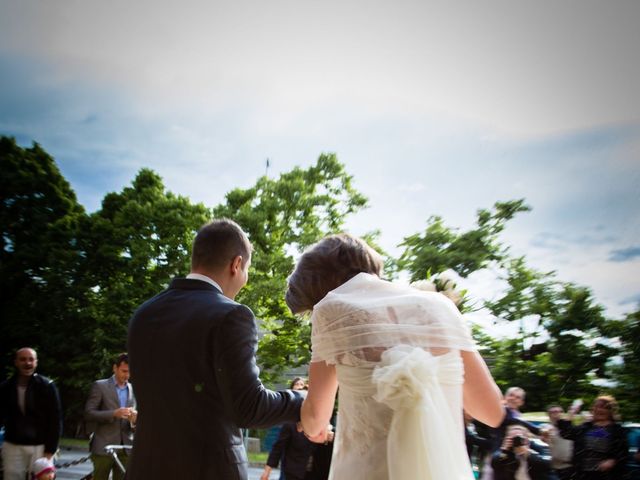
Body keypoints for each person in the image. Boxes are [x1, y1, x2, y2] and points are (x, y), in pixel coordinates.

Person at [285, 233, 505, 480]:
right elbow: (492, 413)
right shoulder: (442, 307)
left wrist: (315, 427)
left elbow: (315, 419)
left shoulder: (330, 310)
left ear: (320, 289)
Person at [127, 218, 304, 479]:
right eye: (247, 270)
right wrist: (301, 400)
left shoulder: (144, 314)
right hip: (207, 470)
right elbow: (249, 407)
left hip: (144, 468)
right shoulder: (231, 315)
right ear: (236, 264)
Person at [0, 347, 62, 480]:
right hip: (12, 445)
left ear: (36, 362)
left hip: (40, 446)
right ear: (16, 362)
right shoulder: (6, 387)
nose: (27, 363)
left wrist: (50, 450)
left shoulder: (47, 386)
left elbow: (55, 420)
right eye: (22, 359)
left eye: (31, 360)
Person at [84, 353, 137, 480]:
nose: (127, 375)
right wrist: (114, 413)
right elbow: (89, 413)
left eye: (130, 372)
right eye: (124, 371)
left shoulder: (134, 389)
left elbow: (135, 423)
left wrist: (134, 421)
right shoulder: (100, 386)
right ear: (115, 368)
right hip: (103, 447)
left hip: (126, 449)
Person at [557, 395, 628, 480]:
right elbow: (566, 433)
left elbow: (623, 453)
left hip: (606, 475)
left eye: (603, 407)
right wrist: (571, 413)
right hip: (582, 474)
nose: (599, 410)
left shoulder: (617, 430)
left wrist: (613, 461)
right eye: (596, 407)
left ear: (610, 411)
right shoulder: (585, 427)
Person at [541, 405, 575, 480]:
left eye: (560, 411)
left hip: (572, 466)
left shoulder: (568, 427)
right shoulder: (546, 428)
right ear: (549, 414)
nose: (557, 414)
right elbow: (543, 437)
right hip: (556, 468)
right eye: (554, 412)